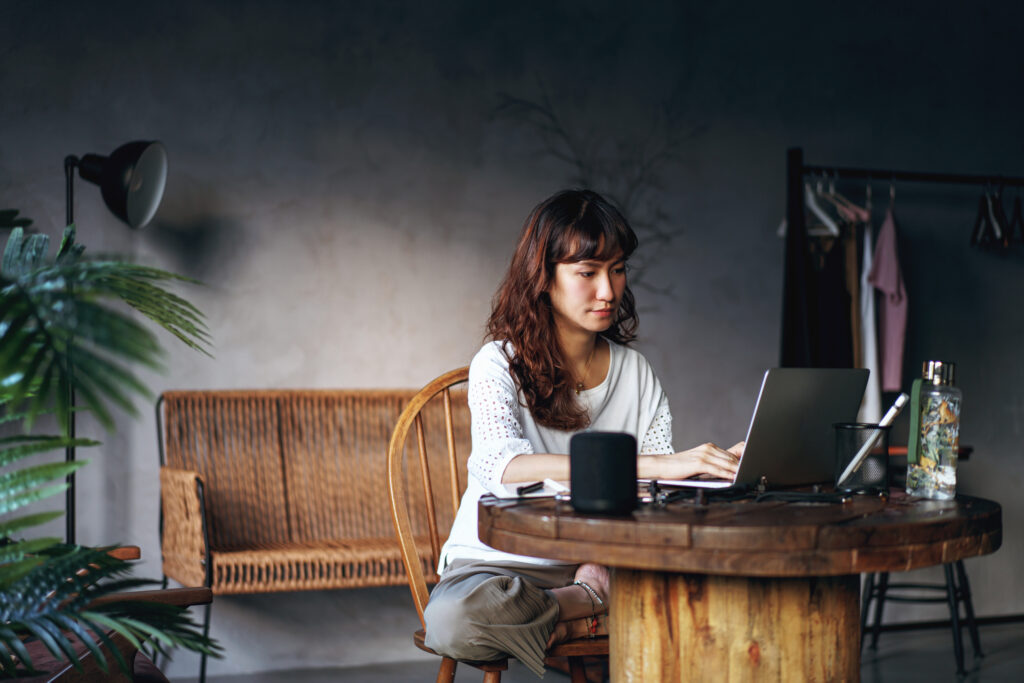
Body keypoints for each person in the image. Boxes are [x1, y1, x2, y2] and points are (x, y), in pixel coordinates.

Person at [423, 189, 743, 677]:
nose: (609, 291)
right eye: (588, 272)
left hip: (601, 557)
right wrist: (660, 466)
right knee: (453, 620)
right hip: (497, 567)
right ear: (544, 278)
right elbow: (503, 469)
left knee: (712, 592)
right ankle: (587, 608)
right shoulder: (498, 364)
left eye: (617, 269)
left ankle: (572, 614)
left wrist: (711, 474)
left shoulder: (636, 373)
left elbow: (650, 497)